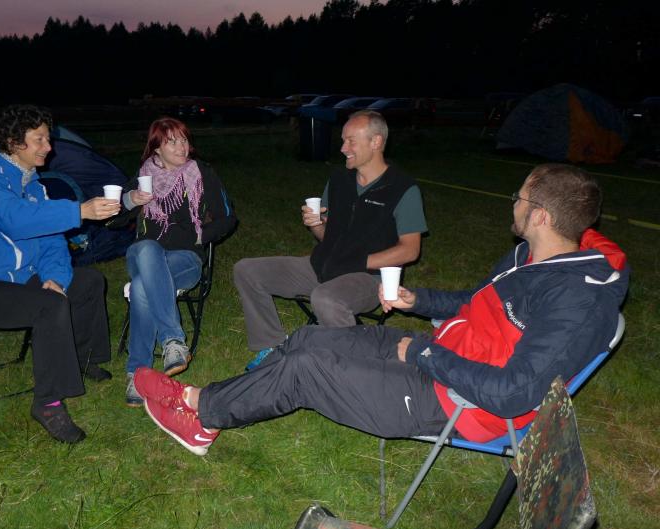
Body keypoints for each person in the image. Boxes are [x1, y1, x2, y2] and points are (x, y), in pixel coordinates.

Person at [133, 163, 629, 456]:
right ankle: (211, 400)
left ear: (540, 216)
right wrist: (420, 301)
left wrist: (424, 355)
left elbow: (513, 393)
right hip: (442, 354)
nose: (512, 203)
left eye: (518, 197)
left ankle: (200, 415)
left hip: (457, 403)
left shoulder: (578, 301)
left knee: (305, 370)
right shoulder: (529, 257)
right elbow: (476, 302)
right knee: (306, 338)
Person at [0, 105, 120, 443]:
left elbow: (53, 244)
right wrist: (79, 210)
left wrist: (56, 278)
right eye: (39, 139)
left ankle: (83, 359)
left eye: (48, 139)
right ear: (13, 142)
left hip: (20, 280)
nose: (48, 147)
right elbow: (14, 219)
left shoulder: (36, 188)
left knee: (88, 282)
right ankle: (48, 404)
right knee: (48, 306)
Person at [233, 110, 427, 370]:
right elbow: (327, 236)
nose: (343, 148)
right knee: (247, 270)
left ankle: (355, 368)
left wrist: (359, 261)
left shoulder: (402, 188)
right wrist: (316, 224)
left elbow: (410, 250)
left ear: (376, 141)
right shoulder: (339, 180)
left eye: (351, 141)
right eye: (343, 140)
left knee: (326, 298)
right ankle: (271, 349)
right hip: (324, 265)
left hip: (369, 278)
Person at [121, 117, 236, 407]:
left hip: (184, 260)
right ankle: (173, 340)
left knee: (141, 287)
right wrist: (131, 199)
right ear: (156, 148)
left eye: (183, 139)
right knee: (148, 248)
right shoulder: (143, 176)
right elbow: (112, 219)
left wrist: (199, 237)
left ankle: (137, 374)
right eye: (171, 142)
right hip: (141, 255)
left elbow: (228, 218)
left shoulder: (202, 173)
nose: (181, 147)